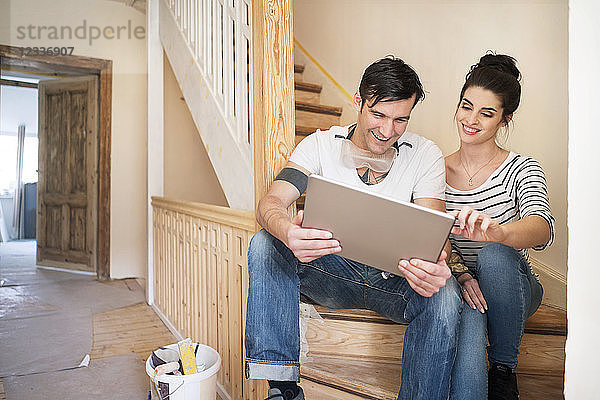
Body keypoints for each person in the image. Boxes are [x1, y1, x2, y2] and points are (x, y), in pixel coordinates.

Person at [245, 56, 463, 400]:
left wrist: (438, 262)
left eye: (400, 120)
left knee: (446, 293)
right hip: (334, 273)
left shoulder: (425, 155)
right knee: (264, 243)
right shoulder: (319, 145)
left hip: (395, 282)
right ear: (358, 101)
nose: (388, 131)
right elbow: (270, 203)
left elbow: (438, 233)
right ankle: (283, 389)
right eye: (378, 115)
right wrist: (287, 231)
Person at [445, 54, 555, 400]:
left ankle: (504, 369)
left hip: (515, 286)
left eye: (487, 113)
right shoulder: (433, 169)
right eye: (467, 106)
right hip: (463, 283)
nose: (471, 120)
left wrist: (501, 233)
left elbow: (542, 227)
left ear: (505, 120)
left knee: (493, 255)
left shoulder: (521, 167)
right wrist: (461, 275)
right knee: (470, 319)